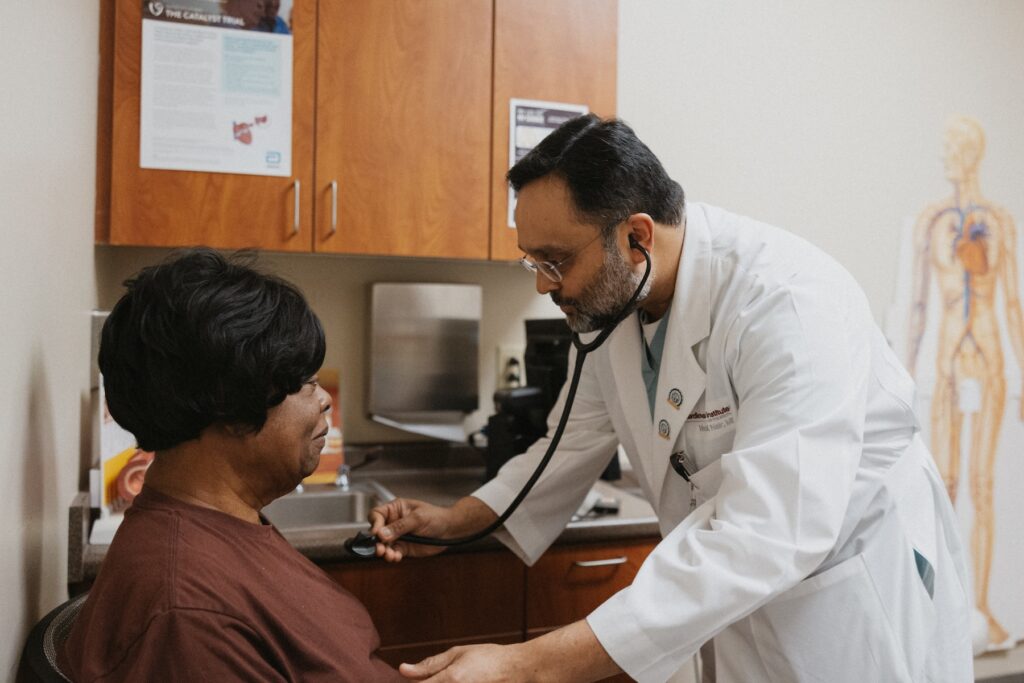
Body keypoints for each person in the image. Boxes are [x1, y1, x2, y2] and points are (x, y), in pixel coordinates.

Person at [369, 115, 974, 682]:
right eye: (533, 261)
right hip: (737, 597)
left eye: (555, 261)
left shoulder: (786, 303)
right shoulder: (620, 305)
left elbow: (768, 534)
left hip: (844, 593)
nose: (542, 284)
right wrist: (454, 524)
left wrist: (527, 665)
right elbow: (564, 447)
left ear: (636, 236)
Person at [60, 249, 401, 682]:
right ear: (233, 406)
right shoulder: (185, 616)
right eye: (307, 384)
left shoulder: (223, 527)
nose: (324, 399)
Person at [908, 115, 1022, 648]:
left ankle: (981, 607)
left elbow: (1014, 304)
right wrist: (906, 376)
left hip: (990, 363)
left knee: (983, 484)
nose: (944, 157)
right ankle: (946, 610)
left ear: (971, 155)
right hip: (949, 366)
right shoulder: (929, 221)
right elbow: (918, 304)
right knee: (945, 485)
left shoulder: (1000, 220)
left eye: (953, 148)